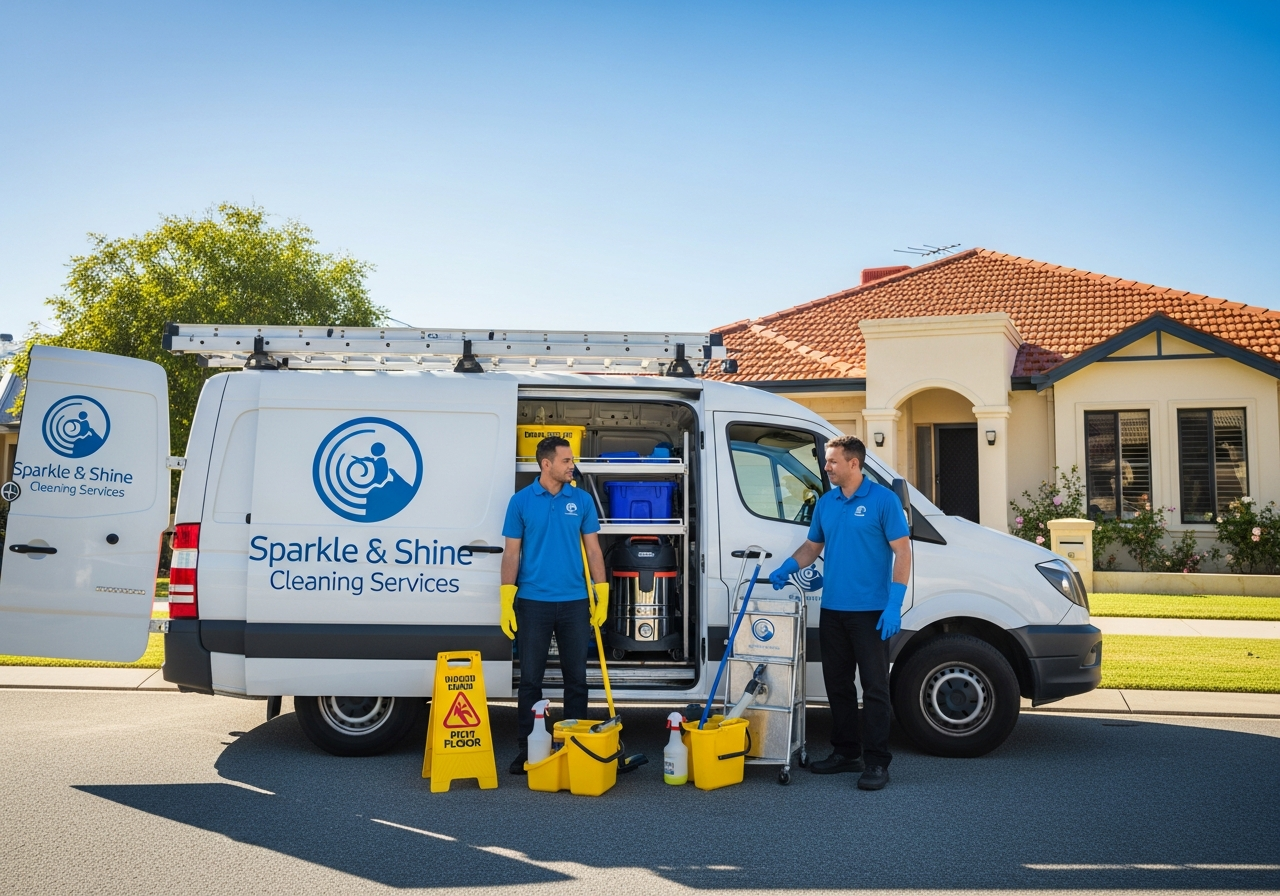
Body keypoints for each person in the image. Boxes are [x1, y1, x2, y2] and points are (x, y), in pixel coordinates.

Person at [766, 434, 910, 791]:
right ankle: (847, 753)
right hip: (833, 611)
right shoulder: (827, 503)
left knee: (875, 688)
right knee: (838, 686)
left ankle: (877, 762)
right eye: (827, 461)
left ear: (853, 463)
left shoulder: (883, 501)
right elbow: (813, 546)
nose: (826, 467)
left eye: (832, 461)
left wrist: (894, 604)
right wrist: (788, 566)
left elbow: (903, 552)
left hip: (871, 612)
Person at [500, 436, 609, 774]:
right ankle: (528, 748)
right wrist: (507, 598)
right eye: (565, 460)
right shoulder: (520, 502)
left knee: (576, 679)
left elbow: (593, 550)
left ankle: (575, 745)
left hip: (576, 602)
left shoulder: (582, 500)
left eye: (571, 460)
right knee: (531, 680)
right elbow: (512, 553)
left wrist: (600, 590)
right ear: (546, 464)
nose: (571, 465)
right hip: (533, 602)